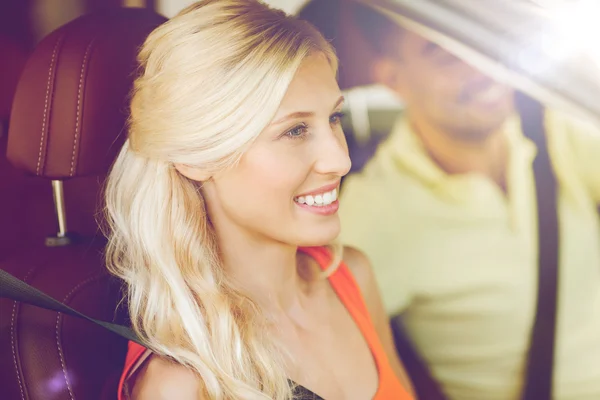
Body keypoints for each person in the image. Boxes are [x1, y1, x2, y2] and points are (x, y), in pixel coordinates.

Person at [104, 1, 415, 399]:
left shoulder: (351, 277)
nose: (341, 160)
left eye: (334, 118)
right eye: (295, 130)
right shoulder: (183, 383)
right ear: (197, 156)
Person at [336, 2, 600, 400]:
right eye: (445, 55)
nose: (481, 69)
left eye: (486, 45)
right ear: (392, 77)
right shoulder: (377, 209)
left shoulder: (556, 130)